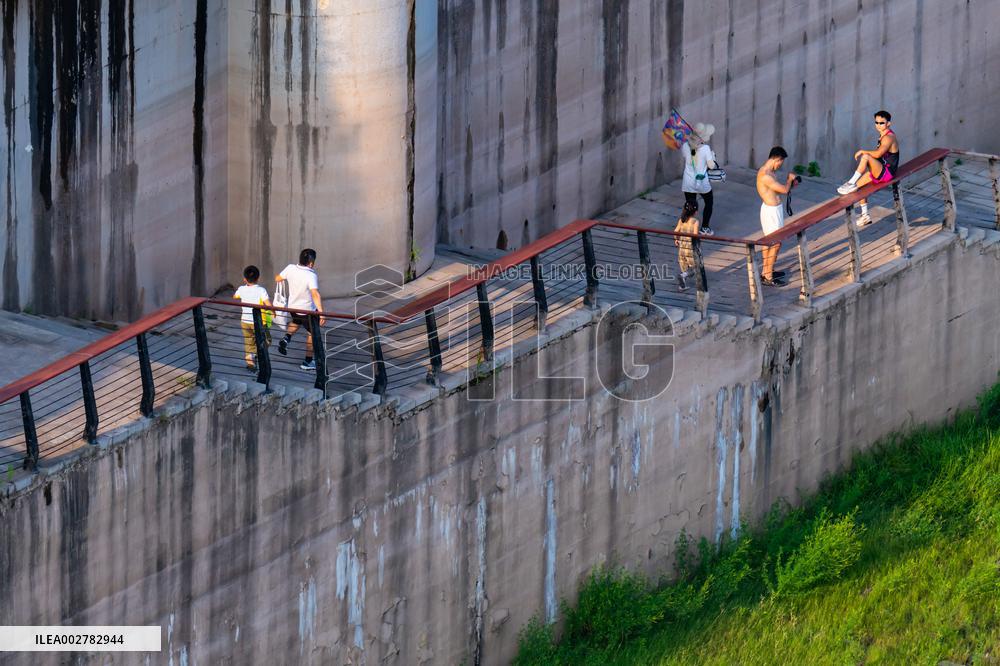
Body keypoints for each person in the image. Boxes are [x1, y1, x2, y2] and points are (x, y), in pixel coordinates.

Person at [836, 110, 900, 227]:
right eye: (876, 122)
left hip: (887, 172)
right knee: (858, 189)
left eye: (882, 123)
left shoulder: (889, 137)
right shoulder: (882, 135)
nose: (878, 125)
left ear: (888, 124)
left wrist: (862, 151)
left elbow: (878, 154)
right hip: (880, 169)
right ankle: (865, 215)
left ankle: (851, 182)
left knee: (866, 157)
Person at [275, 248, 324, 371]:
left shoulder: (290, 268)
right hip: (308, 311)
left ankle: (286, 338)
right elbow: (315, 294)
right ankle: (307, 362)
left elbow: (277, 278)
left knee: (296, 321)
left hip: (293, 307)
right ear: (311, 263)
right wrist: (322, 313)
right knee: (311, 333)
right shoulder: (311, 275)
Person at [755, 146, 797, 286]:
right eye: (781, 162)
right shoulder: (765, 175)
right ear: (776, 159)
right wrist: (789, 180)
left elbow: (777, 190)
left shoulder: (771, 172)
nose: (780, 165)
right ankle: (767, 275)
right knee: (775, 242)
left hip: (774, 210)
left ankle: (766, 271)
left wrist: (791, 182)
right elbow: (785, 190)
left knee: (769, 241)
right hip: (770, 212)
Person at [681, 123, 719, 235]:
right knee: (709, 202)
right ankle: (705, 227)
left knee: (690, 204)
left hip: (688, 181)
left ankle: (686, 224)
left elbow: (689, 157)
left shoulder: (685, 146)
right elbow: (711, 166)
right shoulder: (706, 149)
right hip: (702, 182)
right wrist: (712, 156)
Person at [234, 265, 272, 373]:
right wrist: (273, 311)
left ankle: (250, 363)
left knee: (248, 342)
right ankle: (255, 353)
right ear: (258, 278)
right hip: (258, 322)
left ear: (244, 279)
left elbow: (235, 296)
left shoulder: (241, 289)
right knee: (267, 340)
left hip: (245, 321)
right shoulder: (261, 290)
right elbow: (268, 304)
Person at [673, 199, 702, 291]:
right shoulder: (695, 222)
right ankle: (684, 276)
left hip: (682, 247)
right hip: (690, 248)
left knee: (684, 266)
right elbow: (695, 235)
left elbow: (676, 231)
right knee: (696, 267)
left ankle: (682, 286)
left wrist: (676, 239)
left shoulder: (682, 220)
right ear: (696, 211)